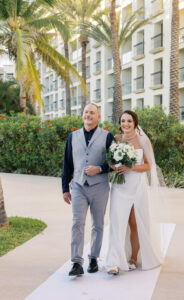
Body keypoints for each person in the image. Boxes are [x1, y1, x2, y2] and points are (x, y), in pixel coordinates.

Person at [105, 110, 162, 275]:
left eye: (129, 121)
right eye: (123, 121)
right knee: (117, 221)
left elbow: (149, 165)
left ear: (135, 123)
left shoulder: (143, 140)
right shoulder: (116, 139)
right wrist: (114, 166)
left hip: (137, 185)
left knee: (134, 222)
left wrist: (131, 167)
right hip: (119, 186)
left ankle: (133, 258)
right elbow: (109, 160)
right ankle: (114, 261)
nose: (126, 124)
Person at [62, 103, 114, 276]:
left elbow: (115, 162)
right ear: (82, 115)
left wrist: (99, 168)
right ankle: (76, 263)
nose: (88, 115)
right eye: (86, 112)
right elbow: (67, 164)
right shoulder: (72, 136)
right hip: (77, 186)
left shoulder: (107, 136)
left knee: (98, 224)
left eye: (92, 113)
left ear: (98, 117)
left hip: (99, 187)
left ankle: (93, 258)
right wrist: (65, 188)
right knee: (77, 223)